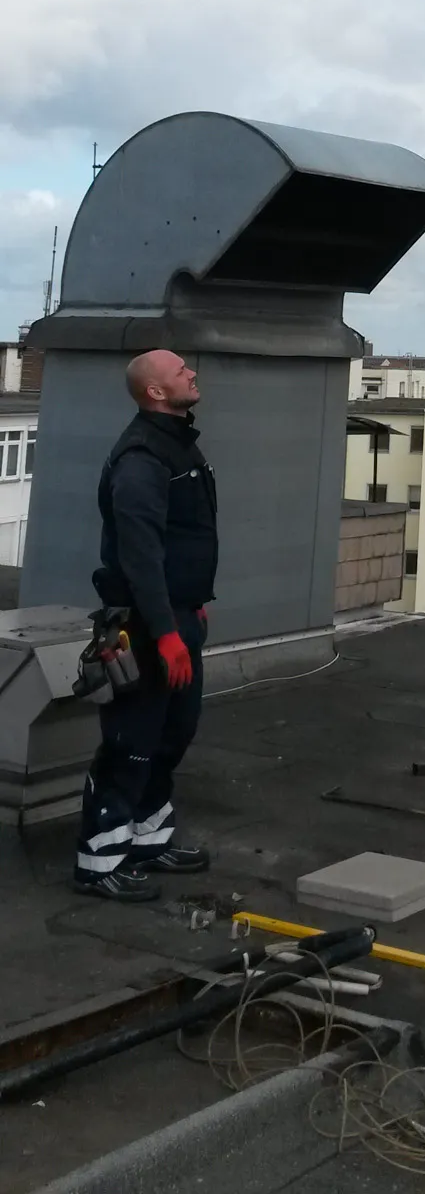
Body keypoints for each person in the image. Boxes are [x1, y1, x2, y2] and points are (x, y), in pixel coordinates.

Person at [74, 350, 218, 901]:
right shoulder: (141, 458)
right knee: (132, 741)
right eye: (181, 371)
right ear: (156, 392)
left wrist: (190, 606)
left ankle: (146, 842)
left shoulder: (175, 443)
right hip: (146, 624)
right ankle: (98, 863)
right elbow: (140, 555)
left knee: (172, 734)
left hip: (178, 616)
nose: (192, 374)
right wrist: (164, 631)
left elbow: (182, 538)